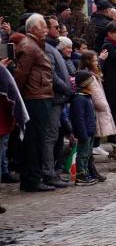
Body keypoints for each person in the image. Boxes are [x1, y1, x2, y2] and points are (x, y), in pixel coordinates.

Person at [13, 14, 56, 192]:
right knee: (34, 140)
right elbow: (20, 75)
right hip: (35, 98)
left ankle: (34, 177)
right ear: (32, 29)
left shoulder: (34, 45)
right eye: (42, 27)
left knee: (37, 139)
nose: (45, 30)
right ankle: (32, 179)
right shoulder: (29, 47)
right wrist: (19, 97)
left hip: (40, 95)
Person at [43, 17, 73, 188]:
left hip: (59, 98)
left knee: (54, 137)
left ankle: (50, 170)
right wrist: (67, 90)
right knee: (50, 137)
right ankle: (48, 172)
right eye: (56, 27)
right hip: (54, 98)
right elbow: (52, 75)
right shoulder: (47, 49)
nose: (59, 30)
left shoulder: (52, 47)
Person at [78, 50, 116, 168]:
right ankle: (85, 171)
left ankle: (91, 169)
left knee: (91, 142)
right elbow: (97, 96)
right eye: (95, 61)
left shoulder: (94, 74)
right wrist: (104, 106)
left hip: (93, 110)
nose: (97, 63)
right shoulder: (89, 77)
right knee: (88, 145)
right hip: (93, 111)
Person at [69, 71, 98, 185]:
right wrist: (82, 133)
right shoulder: (79, 99)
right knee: (82, 155)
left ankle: (85, 173)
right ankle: (81, 175)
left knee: (87, 154)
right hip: (84, 132)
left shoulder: (86, 97)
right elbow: (78, 119)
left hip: (90, 131)